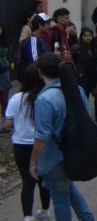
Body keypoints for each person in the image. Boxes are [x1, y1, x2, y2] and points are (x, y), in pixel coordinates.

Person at [30, 53, 95, 221]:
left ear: (40, 72)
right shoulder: (77, 90)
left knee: (60, 197)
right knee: (69, 189)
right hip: (74, 150)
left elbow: (42, 136)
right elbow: (87, 117)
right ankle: (88, 218)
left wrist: (33, 161)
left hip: (54, 156)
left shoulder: (44, 99)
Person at [5, 64, 51, 220]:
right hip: (41, 143)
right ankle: (45, 211)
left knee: (27, 181)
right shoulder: (44, 97)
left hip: (21, 144)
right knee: (43, 179)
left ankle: (27, 216)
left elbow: (9, 123)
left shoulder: (16, 99)